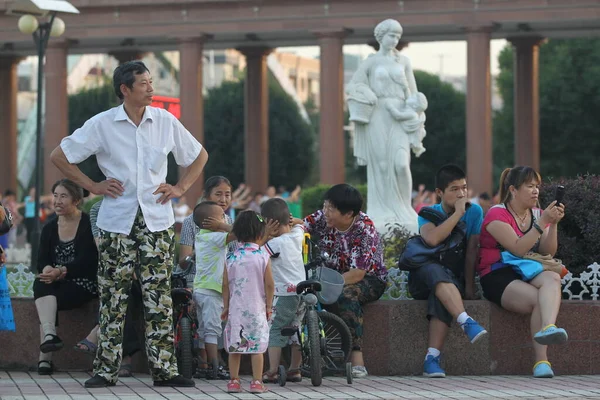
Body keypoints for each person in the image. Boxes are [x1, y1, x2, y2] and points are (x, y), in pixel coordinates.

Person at [50, 60, 208, 388]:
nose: (151, 88)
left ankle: (165, 370)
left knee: (159, 297)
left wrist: (180, 189)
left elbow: (199, 156)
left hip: (157, 221)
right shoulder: (102, 124)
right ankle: (105, 370)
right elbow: (59, 156)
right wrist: (92, 186)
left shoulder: (165, 121)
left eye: (151, 82)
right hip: (115, 223)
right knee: (113, 297)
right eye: (144, 83)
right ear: (125, 89)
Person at [478, 166, 567, 378]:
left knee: (553, 277)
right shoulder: (496, 214)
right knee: (538, 299)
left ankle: (548, 327)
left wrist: (552, 224)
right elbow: (517, 248)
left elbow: (547, 251)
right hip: (497, 273)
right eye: (529, 186)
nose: (536, 191)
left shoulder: (536, 213)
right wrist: (543, 221)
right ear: (513, 190)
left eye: (537, 186)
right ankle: (542, 361)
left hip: (525, 270)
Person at [299, 184, 387, 378]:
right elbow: (300, 226)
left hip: (368, 279)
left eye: (331, 209)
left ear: (348, 214)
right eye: (325, 206)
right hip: (329, 275)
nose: (325, 212)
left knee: (347, 295)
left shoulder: (364, 230)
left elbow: (357, 274)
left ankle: (357, 359)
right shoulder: (324, 217)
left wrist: (326, 285)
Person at [408, 165, 487, 378]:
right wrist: (457, 214)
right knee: (433, 270)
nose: (461, 194)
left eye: (464, 188)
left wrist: (469, 287)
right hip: (422, 278)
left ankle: (431, 359)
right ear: (440, 193)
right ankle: (465, 321)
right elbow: (432, 239)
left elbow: (472, 251)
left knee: (441, 293)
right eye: (454, 189)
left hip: (451, 280)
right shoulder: (427, 213)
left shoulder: (475, 212)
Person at [346, 19, 423, 232]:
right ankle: (380, 212)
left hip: (398, 115)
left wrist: (413, 114)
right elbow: (354, 85)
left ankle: (405, 208)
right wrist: (367, 92)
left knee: (401, 164)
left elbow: (414, 94)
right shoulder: (370, 62)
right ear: (381, 36)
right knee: (380, 166)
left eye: (398, 36)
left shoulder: (404, 61)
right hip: (378, 115)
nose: (395, 40)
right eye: (391, 35)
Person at [34, 179, 98, 375]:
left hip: (83, 284)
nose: (57, 201)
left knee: (47, 296)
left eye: (63, 196)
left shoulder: (87, 224)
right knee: (41, 283)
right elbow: (42, 259)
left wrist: (60, 271)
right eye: (55, 196)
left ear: (76, 200)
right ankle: (50, 337)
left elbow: (87, 261)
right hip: (57, 282)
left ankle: (44, 358)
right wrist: (47, 270)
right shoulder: (49, 227)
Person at [73, 197, 143, 378]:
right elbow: (101, 245)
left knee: (121, 290)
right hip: (117, 270)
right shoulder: (98, 208)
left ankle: (96, 334)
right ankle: (125, 358)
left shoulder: (144, 205)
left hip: (143, 274)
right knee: (121, 290)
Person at [222, 210, 275, 394]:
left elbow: (225, 285)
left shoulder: (230, 257)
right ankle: (257, 382)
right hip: (257, 309)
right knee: (257, 347)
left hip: (236, 309)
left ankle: (234, 381)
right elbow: (269, 284)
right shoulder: (262, 256)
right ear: (260, 234)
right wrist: (269, 305)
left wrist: (226, 306)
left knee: (235, 347)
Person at [260, 198, 305, 384]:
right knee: (296, 330)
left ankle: (272, 371)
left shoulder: (275, 244)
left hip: (285, 293)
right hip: (302, 291)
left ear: (271, 224)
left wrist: (265, 234)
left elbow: (256, 251)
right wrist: (295, 221)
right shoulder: (296, 235)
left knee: (276, 329)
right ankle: (295, 369)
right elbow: (302, 225)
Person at [191, 201, 236, 379]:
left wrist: (219, 224)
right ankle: (215, 367)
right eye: (221, 216)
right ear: (209, 222)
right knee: (212, 329)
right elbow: (240, 234)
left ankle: (205, 365)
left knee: (203, 329)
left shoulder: (202, 236)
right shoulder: (214, 237)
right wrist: (222, 226)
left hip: (201, 288)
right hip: (211, 291)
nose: (224, 219)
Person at [179, 176, 233, 267]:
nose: (223, 200)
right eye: (218, 194)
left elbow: (237, 252)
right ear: (205, 195)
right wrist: (196, 253)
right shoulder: (190, 221)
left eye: (227, 195)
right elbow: (182, 263)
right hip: (195, 277)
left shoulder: (230, 222)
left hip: (224, 278)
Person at [387, 91, 428, 157]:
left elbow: (398, 116)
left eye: (413, 97)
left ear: (414, 105)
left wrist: (390, 107)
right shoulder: (410, 110)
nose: (411, 96)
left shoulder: (413, 114)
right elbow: (408, 96)